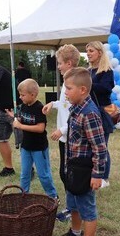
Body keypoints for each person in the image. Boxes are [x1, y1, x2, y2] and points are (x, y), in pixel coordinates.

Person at [63, 67, 107, 236]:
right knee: (73, 204)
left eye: (68, 88)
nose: (65, 92)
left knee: (87, 210)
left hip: (85, 171)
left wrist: (97, 174)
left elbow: (99, 147)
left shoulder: (89, 114)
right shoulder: (76, 108)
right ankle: (75, 232)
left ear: (82, 90)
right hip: (73, 167)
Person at [42, 44, 80, 221]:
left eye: (59, 63)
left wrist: (62, 130)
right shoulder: (67, 83)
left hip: (70, 136)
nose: (57, 66)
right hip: (65, 136)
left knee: (69, 174)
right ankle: (71, 206)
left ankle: (73, 208)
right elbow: (65, 104)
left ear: (69, 63)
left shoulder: (74, 83)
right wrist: (53, 104)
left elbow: (76, 113)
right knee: (64, 173)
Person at [6, 78, 58, 199]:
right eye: (19, 95)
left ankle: (53, 197)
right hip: (26, 147)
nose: (20, 97)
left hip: (39, 148)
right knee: (25, 174)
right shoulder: (24, 106)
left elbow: (40, 128)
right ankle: (24, 196)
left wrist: (20, 126)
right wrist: (15, 118)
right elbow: (21, 119)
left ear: (33, 94)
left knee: (43, 174)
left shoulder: (39, 108)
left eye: (23, 95)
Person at [86, 41, 114, 188]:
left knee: (102, 146)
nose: (89, 53)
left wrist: (87, 84)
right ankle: (95, 173)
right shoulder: (88, 70)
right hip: (91, 111)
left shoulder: (107, 70)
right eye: (87, 51)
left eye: (91, 50)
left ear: (100, 52)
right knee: (93, 145)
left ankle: (104, 178)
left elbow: (106, 88)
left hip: (103, 112)